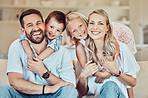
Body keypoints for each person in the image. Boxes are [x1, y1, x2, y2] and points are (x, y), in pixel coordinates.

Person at [0, 9, 78, 98]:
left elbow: (70, 85)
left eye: (38, 23)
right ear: (23, 31)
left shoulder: (62, 52)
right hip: (23, 95)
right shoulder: (17, 46)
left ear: (44, 24)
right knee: (2, 89)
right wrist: (47, 89)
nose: (36, 28)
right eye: (30, 25)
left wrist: (44, 72)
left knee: (70, 91)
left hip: (52, 96)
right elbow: (14, 82)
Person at [66, 12, 137, 97]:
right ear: (71, 35)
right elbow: (82, 90)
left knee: (109, 86)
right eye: (74, 31)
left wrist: (111, 70)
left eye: (80, 26)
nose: (80, 31)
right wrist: (89, 75)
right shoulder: (81, 48)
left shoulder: (116, 46)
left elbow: (131, 83)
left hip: (116, 93)